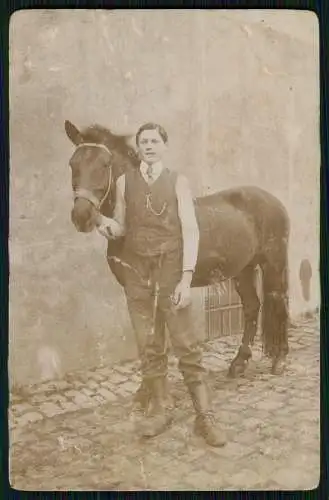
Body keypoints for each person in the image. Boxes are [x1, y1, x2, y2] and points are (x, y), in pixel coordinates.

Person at [97, 122, 226, 447]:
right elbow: (122, 228)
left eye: (155, 141)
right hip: (138, 275)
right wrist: (101, 222)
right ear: (138, 147)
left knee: (186, 346)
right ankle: (161, 410)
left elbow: (190, 231)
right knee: (149, 347)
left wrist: (186, 277)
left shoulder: (177, 181)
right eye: (144, 141)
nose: (149, 146)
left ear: (164, 146)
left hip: (170, 272)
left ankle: (204, 418)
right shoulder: (126, 182)